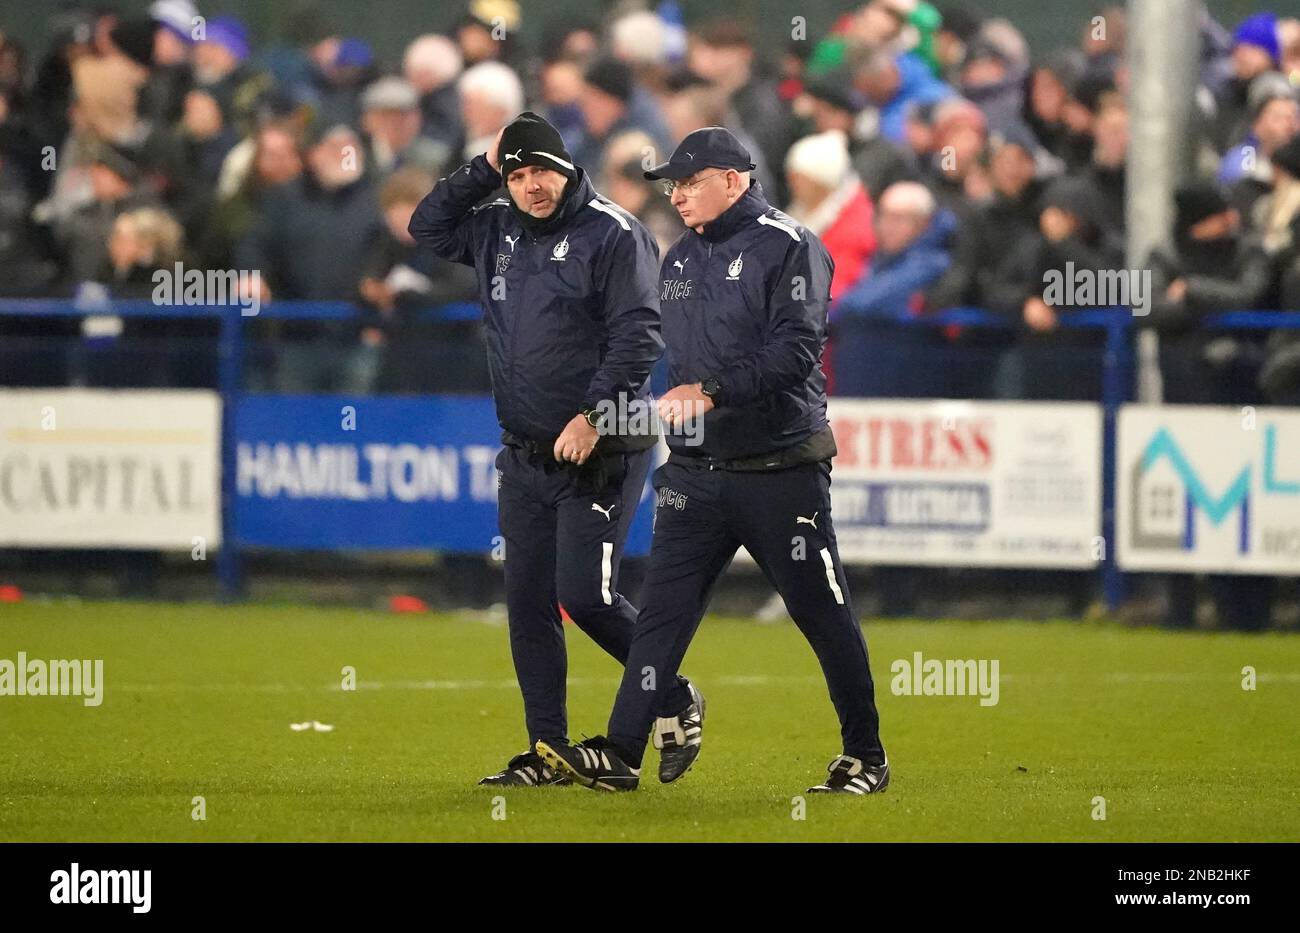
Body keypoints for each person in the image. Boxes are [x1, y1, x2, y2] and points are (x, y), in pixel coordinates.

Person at [535, 127, 889, 796]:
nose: (676, 195)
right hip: (695, 474)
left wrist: (712, 390)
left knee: (822, 611)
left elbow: (795, 350)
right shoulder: (677, 261)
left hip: (780, 467)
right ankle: (621, 751)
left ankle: (865, 754)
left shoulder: (791, 246)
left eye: (689, 182)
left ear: (733, 179)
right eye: (671, 185)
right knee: (660, 621)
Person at [409, 111, 704, 786]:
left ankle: (675, 691)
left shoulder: (614, 232)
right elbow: (425, 226)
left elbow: (639, 336)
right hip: (525, 452)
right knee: (528, 603)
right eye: (517, 174)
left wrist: (592, 416)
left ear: (567, 167)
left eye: (541, 169)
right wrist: (482, 168)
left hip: (604, 446)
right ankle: (548, 750)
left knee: (586, 595)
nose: (532, 186)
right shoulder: (496, 228)